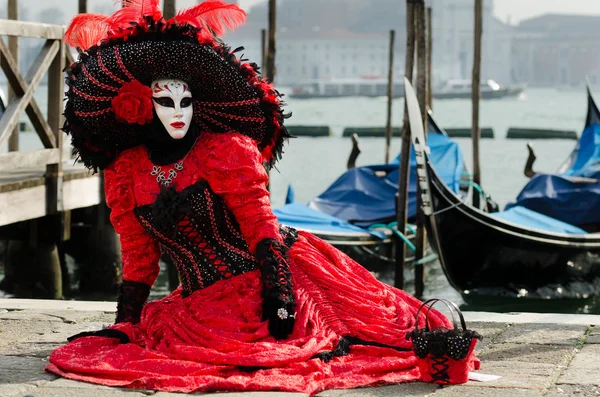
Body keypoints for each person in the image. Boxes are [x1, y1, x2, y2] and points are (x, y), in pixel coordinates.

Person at [46, 0, 480, 395]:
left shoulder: (224, 151)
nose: (178, 112)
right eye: (165, 101)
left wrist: (280, 296)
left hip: (277, 274)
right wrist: (125, 324)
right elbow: (140, 256)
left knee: (365, 338)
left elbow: (260, 226)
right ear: (142, 104)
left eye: (186, 100)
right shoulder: (127, 172)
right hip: (198, 302)